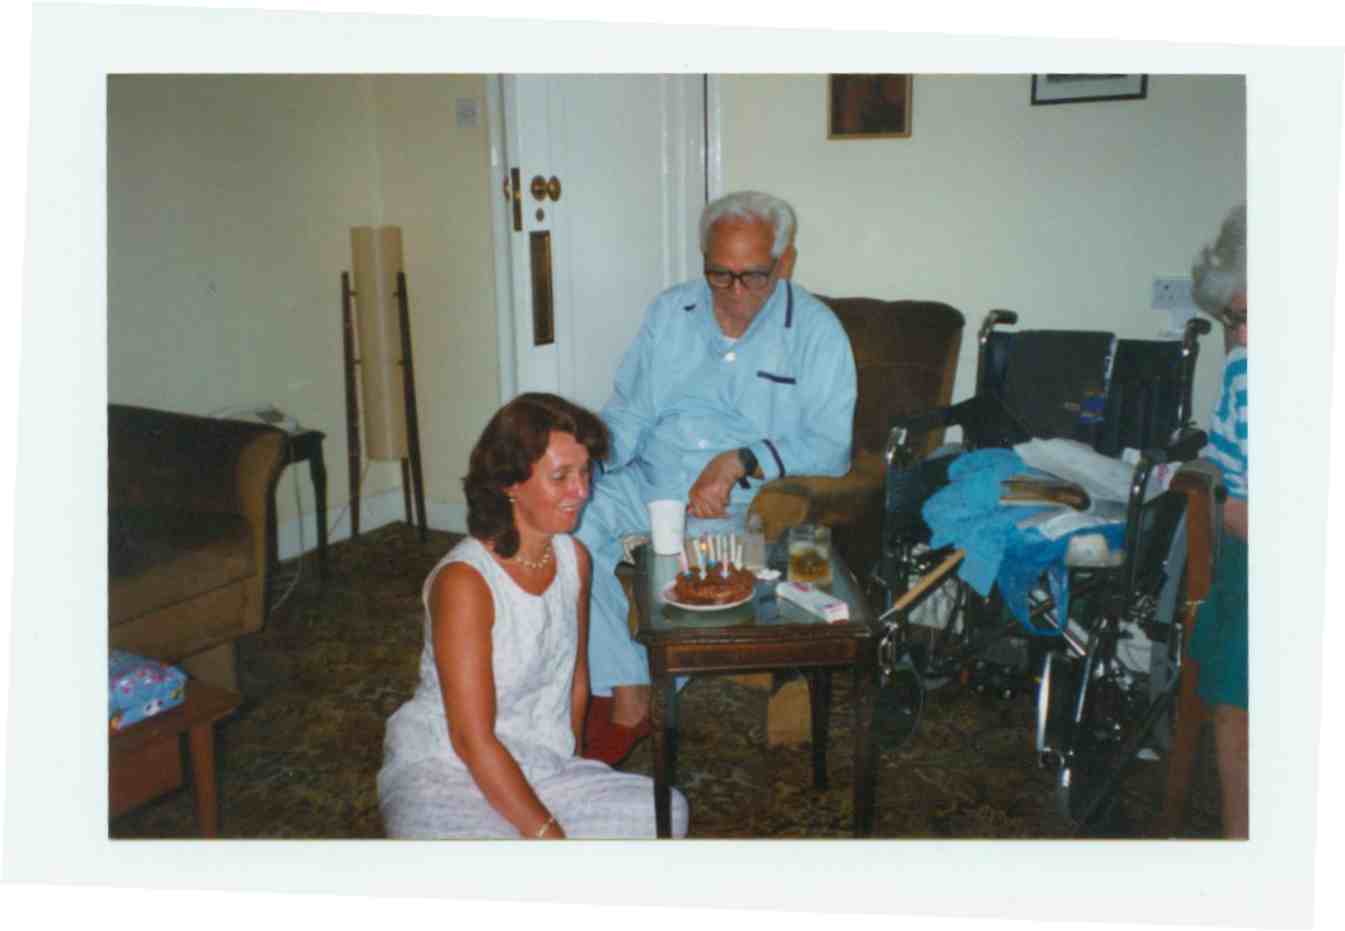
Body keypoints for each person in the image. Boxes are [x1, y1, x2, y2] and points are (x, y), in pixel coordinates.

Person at [575, 190, 858, 764]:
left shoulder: (816, 331)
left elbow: (833, 447)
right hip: (647, 477)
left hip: (732, 506)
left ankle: (639, 697)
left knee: (700, 587)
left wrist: (741, 459)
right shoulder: (669, 312)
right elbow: (630, 411)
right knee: (567, 531)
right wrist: (586, 463)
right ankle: (628, 682)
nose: (733, 292)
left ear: (785, 263)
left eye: (752, 276)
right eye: (719, 274)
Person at [377, 393, 689, 838]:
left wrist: (571, 766)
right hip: (446, 768)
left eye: (585, 473)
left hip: (542, 762)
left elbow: (576, 680)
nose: (581, 492)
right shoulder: (465, 582)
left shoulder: (574, 558)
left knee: (666, 813)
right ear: (510, 483)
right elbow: (470, 739)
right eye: (561, 477)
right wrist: (548, 833)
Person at [1188, 202, 1249, 839]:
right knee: (1235, 703)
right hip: (1244, 552)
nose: (1242, 336)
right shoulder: (1244, 368)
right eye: (1234, 319)